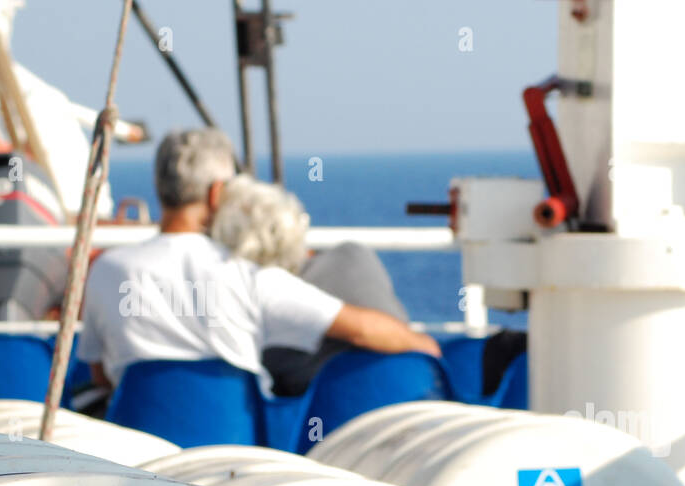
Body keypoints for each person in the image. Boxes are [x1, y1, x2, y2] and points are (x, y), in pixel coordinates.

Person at [78, 128, 439, 401]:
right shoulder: (246, 275)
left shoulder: (107, 269)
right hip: (234, 441)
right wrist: (423, 344)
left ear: (159, 187)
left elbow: (100, 375)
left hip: (142, 441)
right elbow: (361, 329)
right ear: (218, 192)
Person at [207, 172, 421, 396]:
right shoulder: (354, 255)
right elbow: (406, 344)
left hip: (327, 420)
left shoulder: (263, 301)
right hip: (402, 402)